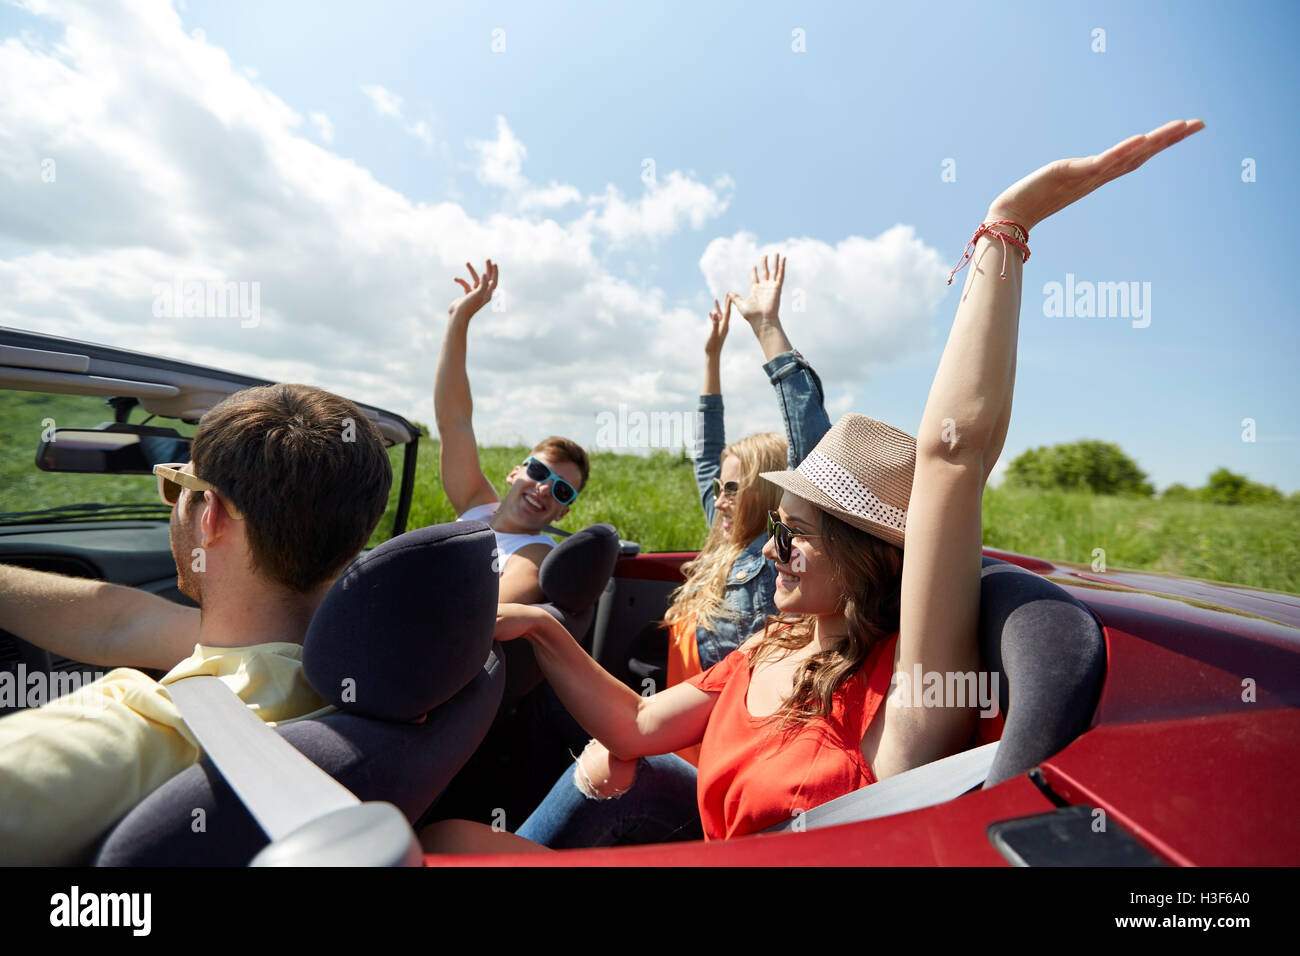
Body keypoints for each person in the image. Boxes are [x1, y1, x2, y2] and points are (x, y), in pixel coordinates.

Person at [421, 119, 1205, 852]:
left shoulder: (909, 686)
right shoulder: (775, 640)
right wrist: (537, 628)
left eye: (793, 534)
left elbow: (951, 457)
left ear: (866, 557)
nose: (772, 545)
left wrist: (1007, 225)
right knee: (467, 828)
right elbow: (633, 724)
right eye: (776, 527)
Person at [0, 383, 393, 864]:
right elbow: (118, 622)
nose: (172, 504)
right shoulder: (377, 662)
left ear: (210, 516)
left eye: (175, 485)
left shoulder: (128, 730)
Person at [434, 258, 591, 604]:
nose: (545, 488)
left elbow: (478, 619)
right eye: (538, 471)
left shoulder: (535, 556)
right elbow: (454, 420)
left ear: (563, 512)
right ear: (514, 473)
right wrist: (459, 318)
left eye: (563, 491)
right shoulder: (477, 507)